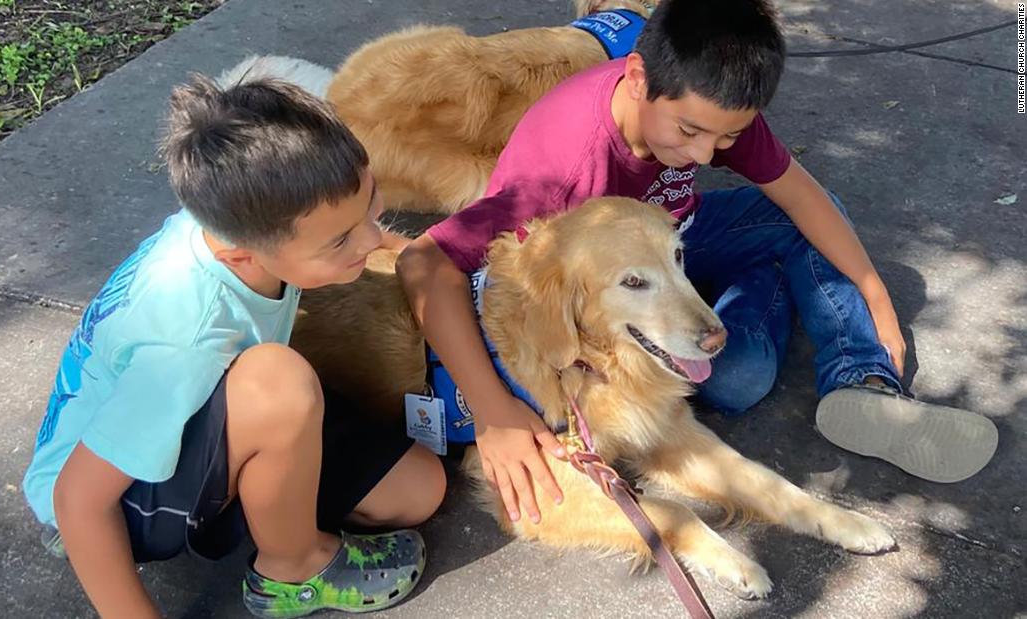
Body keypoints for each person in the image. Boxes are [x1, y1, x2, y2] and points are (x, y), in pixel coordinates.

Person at [395, 0, 997, 527]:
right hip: (614, 287)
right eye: (690, 132)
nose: (707, 153)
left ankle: (862, 378)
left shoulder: (712, 104)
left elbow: (804, 195)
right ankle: (768, 276)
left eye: (726, 138)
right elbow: (425, 263)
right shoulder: (558, 175)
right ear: (637, 78)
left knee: (807, 222)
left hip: (672, 243)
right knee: (735, 381)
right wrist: (495, 412)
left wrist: (876, 300)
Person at [23, 73, 445, 618]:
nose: (370, 238)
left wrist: (422, 252)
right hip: (120, 498)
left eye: (369, 204)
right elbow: (78, 501)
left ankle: (265, 478)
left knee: (417, 490)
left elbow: (344, 223)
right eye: (342, 239)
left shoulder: (252, 224)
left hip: (198, 414)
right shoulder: (184, 338)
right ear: (243, 255)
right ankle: (292, 571)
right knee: (280, 382)